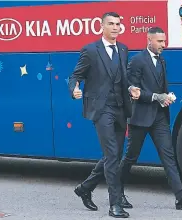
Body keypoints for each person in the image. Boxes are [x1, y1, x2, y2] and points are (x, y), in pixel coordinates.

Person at [68, 12, 140, 218]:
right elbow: (75, 75)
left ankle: (85, 188)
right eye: (111, 24)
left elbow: (123, 79)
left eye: (118, 24)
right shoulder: (91, 50)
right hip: (101, 109)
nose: (115, 27)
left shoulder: (124, 49)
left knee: (114, 155)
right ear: (101, 27)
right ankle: (114, 204)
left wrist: (132, 89)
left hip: (120, 108)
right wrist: (74, 89)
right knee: (111, 155)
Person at [121, 27, 182, 210]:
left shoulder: (162, 61)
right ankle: (116, 191)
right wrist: (157, 97)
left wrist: (166, 98)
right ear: (149, 40)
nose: (163, 45)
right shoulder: (137, 61)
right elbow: (132, 90)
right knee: (131, 157)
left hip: (158, 117)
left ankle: (180, 197)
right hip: (140, 118)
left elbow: (159, 87)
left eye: (164, 41)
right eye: (159, 41)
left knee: (168, 156)